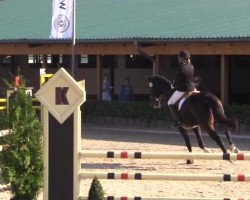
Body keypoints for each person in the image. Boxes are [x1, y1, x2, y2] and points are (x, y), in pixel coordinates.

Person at [168, 50, 196, 127]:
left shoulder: (181, 67)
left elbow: (178, 79)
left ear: (181, 58)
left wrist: (173, 85)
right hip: (193, 88)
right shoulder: (191, 66)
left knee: (170, 103)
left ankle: (178, 120)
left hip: (184, 89)